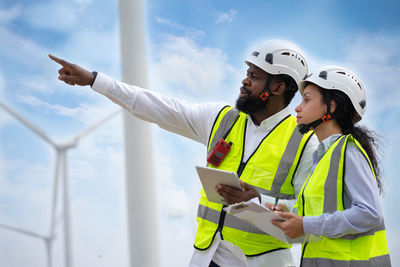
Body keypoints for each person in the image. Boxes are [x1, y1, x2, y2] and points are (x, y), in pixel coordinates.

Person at [49, 39, 318, 267]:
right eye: (247, 72)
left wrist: (259, 200)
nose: (245, 81)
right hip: (206, 255)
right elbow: (158, 107)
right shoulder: (222, 119)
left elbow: (313, 215)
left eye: (255, 76)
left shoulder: (306, 143)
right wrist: (96, 81)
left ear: (278, 88)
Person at [270, 65, 391, 266]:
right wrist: (288, 212)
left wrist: (306, 224)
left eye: (307, 99)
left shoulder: (349, 152)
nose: (298, 107)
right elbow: (325, 213)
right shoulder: (323, 156)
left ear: (331, 106)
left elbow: (370, 213)